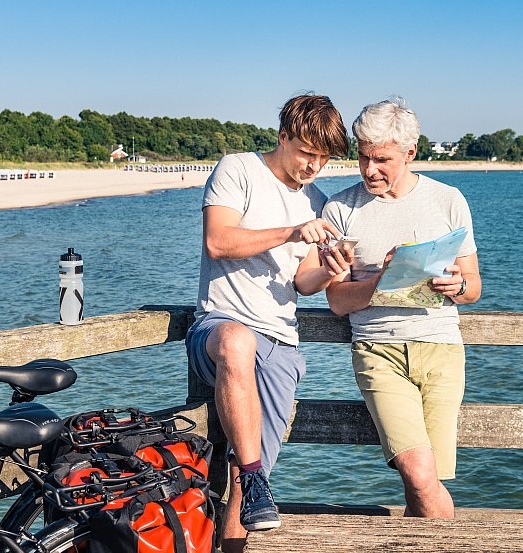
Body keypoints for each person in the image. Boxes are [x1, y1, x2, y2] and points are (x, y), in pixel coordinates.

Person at [185, 94, 351, 546]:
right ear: (283, 136)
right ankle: (254, 473)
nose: (314, 166)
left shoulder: (317, 201)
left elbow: (303, 281)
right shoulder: (237, 169)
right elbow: (218, 241)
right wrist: (292, 231)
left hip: (279, 342)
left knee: (247, 487)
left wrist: (331, 269)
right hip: (219, 325)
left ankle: (251, 484)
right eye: (307, 153)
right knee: (237, 341)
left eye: (324, 158)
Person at [323, 97, 481, 518]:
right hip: (378, 351)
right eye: (362, 157)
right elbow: (336, 300)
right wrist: (382, 280)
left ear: (410, 153)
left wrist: (458, 285)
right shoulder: (340, 208)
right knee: (419, 474)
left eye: (382, 160)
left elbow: (473, 288)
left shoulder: (448, 200)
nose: (369, 169)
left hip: (442, 350)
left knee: (424, 481)